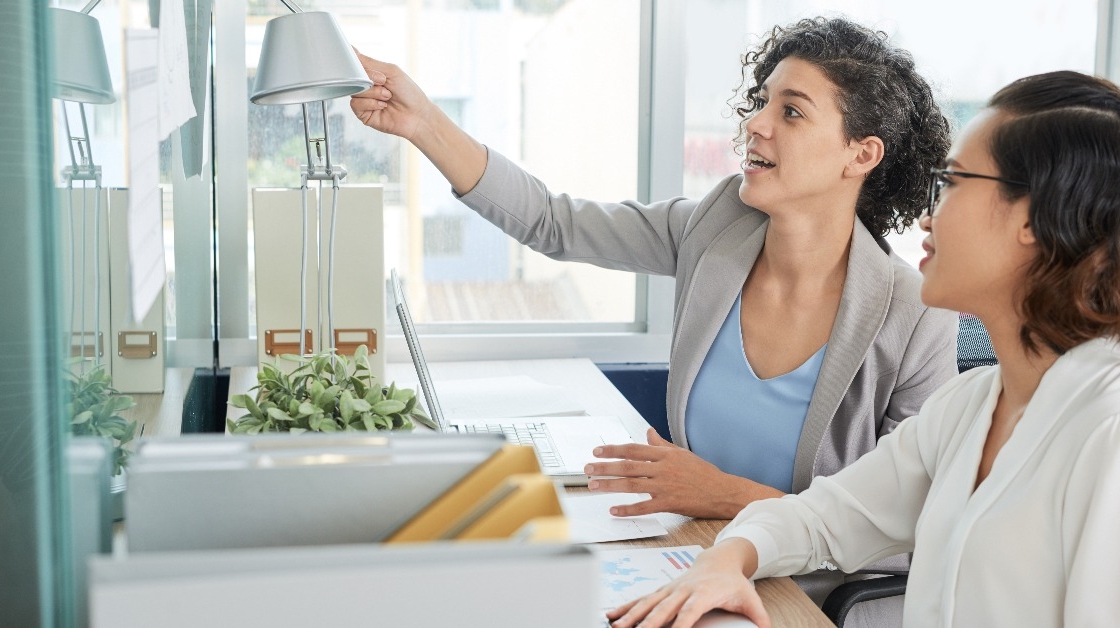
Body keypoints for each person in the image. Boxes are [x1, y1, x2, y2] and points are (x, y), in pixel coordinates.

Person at [606, 70, 1120, 628]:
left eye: (954, 183)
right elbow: (822, 519)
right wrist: (725, 562)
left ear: (1034, 217)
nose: (930, 215)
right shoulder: (971, 406)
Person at [349, 17, 957, 523]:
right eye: (763, 100)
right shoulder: (715, 228)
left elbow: (907, 526)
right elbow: (552, 221)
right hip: (685, 548)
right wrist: (422, 121)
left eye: (792, 112)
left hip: (805, 592)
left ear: (862, 154)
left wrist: (726, 497)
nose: (756, 122)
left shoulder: (914, 315)